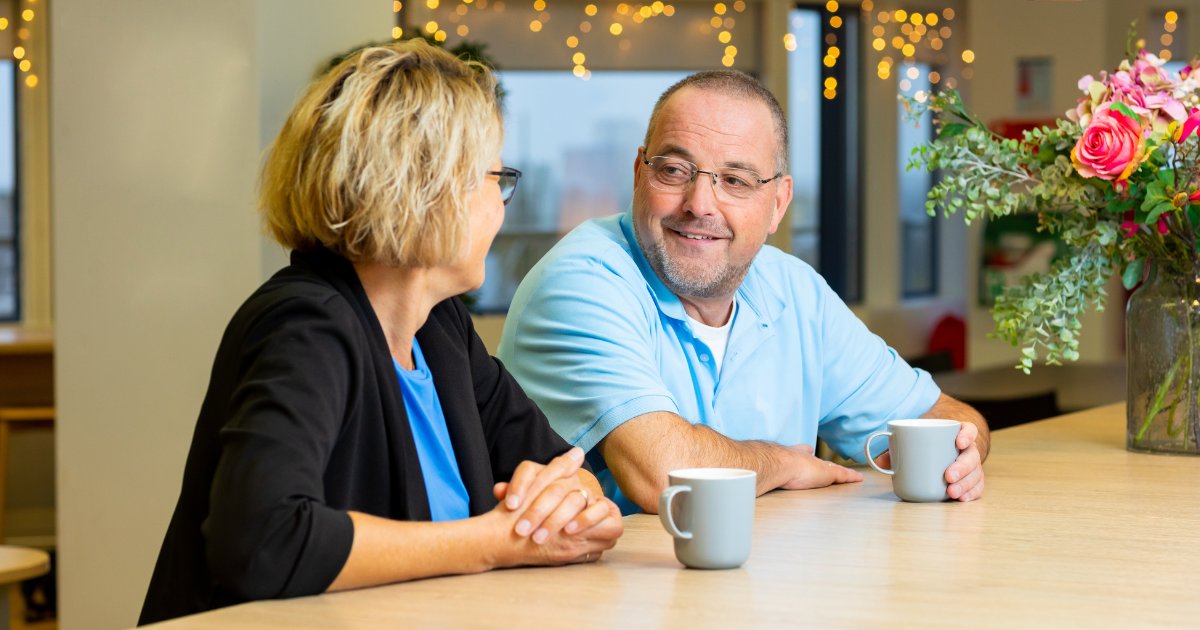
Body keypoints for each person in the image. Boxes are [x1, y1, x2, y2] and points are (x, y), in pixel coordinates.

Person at [139, 40, 622, 625]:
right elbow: (262, 540)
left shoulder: (440, 329)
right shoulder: (306, 324)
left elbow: (565, 471)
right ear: (429, 192)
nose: (501, 206)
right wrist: (493, 542)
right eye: (495, 178)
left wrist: (580, 510)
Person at [498, 70, 989, 515]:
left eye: (734, 180)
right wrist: (779, 462)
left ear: (778, 204)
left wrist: (963, 452)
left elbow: (945, 416)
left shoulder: (794, 290)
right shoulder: (581, 280)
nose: (699, 204)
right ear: (638, 174)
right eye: (674, 170)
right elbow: (664, 474)